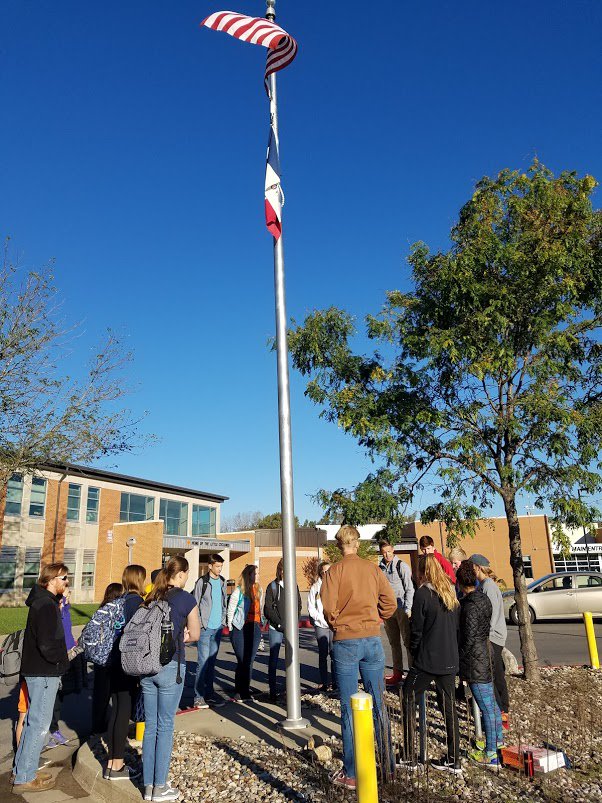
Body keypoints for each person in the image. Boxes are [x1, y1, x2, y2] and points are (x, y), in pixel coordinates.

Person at [321, 526, 397, 790]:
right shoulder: (373, 569)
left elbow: (328, 608)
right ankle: (388, 767)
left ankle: (352, 773)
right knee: (379, 704)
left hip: (346, 642)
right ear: (358, 543)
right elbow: (390, 602)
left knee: (349, 708)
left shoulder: (334, 572)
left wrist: (339, 624)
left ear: (339, 545)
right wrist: (376, 619)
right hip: (372, 640)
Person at [141, 556, 200, 803]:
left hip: (146, 667)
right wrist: (184, 636)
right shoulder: (186, 598)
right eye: (186, 574)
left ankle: (147, 786)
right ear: (182, 574)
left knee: (151, 727)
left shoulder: (153, 595)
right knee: (165, 727)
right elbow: (195, 633)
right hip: (170, 665)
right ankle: (160, 787)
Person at [12, 562, 70, 793]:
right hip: (44, 672)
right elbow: (47, 644)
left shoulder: (44, 602)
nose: (66, 582)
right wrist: (62, 661)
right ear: (51, 580)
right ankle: (25, 776)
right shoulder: (45, 605)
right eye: (63, 578)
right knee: (39, 726)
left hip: (38, 671)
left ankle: (23, 770)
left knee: (33, 725)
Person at [401, 554, 462, 775]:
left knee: (407, 697)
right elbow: (456, 628)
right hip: (449, 659)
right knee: (449, 707)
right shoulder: (449, 593)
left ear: (422, 572)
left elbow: (416, 629)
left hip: (427, 660)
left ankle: (410, 755)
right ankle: (455, 759)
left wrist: (414, 650)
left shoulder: (423, 594)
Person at [456, 561, 502, 770]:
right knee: (491, 704)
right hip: (486, 652)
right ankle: (498, 742)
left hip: (476, 660)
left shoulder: (468, 606)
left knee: (486, 707)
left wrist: (461, 659)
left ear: (459, 582)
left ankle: (491, 753)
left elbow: (469, 636)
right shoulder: (483, 598)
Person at [104, 564, 146, 781]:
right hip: (127, 662)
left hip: (112, 662)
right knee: (123, 713)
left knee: (116, 710)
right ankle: (118, 764)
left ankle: (111, 762)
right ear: (139, 579)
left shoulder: (119, 601)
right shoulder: (137, 603)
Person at [470, 554, 510, 729]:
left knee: (493, 675)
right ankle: (502, 710)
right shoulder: (484, 586)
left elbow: (491, 616)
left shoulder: (489, 587)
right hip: (491, 636)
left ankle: (501, 711)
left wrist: (483, 635)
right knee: (496, 673)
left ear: (478, 567)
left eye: (471, 566)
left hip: (493, 637)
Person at [263, 559, 302, 702]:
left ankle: (291, 690)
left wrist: (293, 622)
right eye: (283, 569)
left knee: (292, 660)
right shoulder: (272, 586)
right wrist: (280, 624)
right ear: (279, 570)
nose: (286, 572)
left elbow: (298, 604)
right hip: (276, 628)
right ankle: (272, 692)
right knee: (273, 659)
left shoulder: (294, 585)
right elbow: (267, 609)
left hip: (291, 628)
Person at [192, 554, 227, 708]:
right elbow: (196, 603)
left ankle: (210, 694)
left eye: (221, 566)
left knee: (212, 662)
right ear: (210, 566)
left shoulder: (222, 581)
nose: (220, 569)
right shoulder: (202, 582)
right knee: (203, 662)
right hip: (205, 628)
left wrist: (223, 620)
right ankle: (198, 697)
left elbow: (223, 602)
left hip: (217, 627)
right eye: (217, 566)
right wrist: (199, 623)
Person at [378, 542, 414, 686]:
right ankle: (397, 673)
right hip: (388, 610)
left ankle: (412, 673)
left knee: (408, 642)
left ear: (393, 550)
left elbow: (409, 588)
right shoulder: (379, 568)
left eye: (389, 551)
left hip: (402, 609)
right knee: (394, 643)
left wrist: (408, 608)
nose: (387, 554)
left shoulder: (402, 566)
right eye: (384, 552)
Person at [91, 582, 123, 735]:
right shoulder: (117, 611)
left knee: (100, 695)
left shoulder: (101, 610)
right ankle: (107, 725)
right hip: (112, 656)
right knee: (113, 694)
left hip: (99, 657)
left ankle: (97, 725)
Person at [227, 564, 262, 702]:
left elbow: (260, 608)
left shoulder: (259, 590)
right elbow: (231, 609)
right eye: (256, 573)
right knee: (242, 660)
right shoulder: (239, 591)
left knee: (250, 660)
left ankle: (245, 691)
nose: (258, 576)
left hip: (255, 627)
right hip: (240, 627)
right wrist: (231, 627)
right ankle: (239, 691)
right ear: (249, 575)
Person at [307, 560, 336, 692]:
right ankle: (325, 682)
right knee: (323, 654)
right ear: (320, 572)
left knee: (335, 654)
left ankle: (336, 681)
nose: (326, 573)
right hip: (321, 625)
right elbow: (311, 607)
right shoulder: (315, 588)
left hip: (333, 624)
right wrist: (320, 619)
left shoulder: (336, 585)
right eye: (323, 571)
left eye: (328, 571)